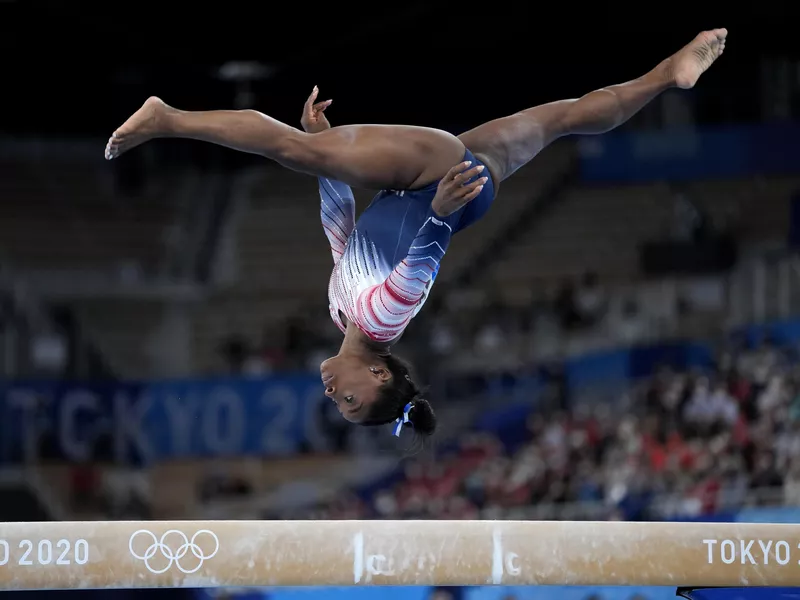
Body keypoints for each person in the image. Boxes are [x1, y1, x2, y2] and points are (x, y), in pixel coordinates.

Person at [105, 30, 727, 440]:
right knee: (293, 149)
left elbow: (340, 230)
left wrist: (327, 152)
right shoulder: (384, 322)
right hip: (438, 184)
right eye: (349, 402)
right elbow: (421, 266)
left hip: (450, 186)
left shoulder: (341, 308)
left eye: (337, 407)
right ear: (377, 378)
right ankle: (170, 117)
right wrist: (433, 209)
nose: (334, 396)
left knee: (562, 119)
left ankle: (668, 73)